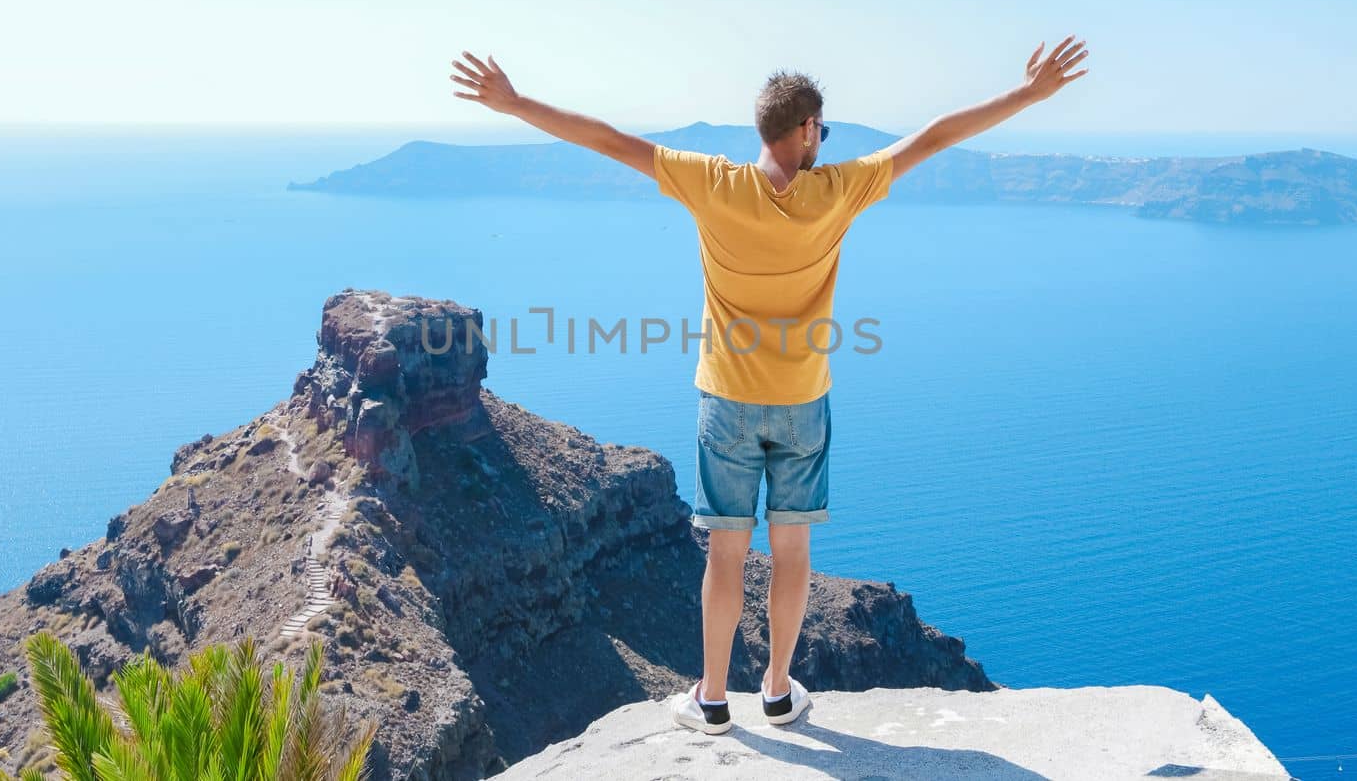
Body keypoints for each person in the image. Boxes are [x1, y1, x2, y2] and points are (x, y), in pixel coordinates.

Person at [448, 38, 1089, 733]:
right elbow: (934, 137)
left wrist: (513, 104)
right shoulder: (839, 190)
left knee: (725, 554)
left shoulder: (711, 183)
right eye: (823, 130)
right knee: (792, 552)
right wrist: (1028, 94)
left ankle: (714, 700)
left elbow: (608, 141)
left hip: (725, 401)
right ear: (808, 130)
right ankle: (779, 692)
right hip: (802, 402)